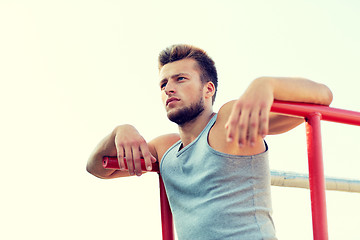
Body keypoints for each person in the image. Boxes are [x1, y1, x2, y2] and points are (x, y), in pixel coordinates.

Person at [87, 44, 333, 239]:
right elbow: (96, 168)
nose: (168, 88)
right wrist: (120, 131)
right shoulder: (165, 149)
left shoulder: (228, 121)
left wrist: (266, 84)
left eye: (180, 79)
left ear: (208, 89)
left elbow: (323, 97)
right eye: (164, 83)